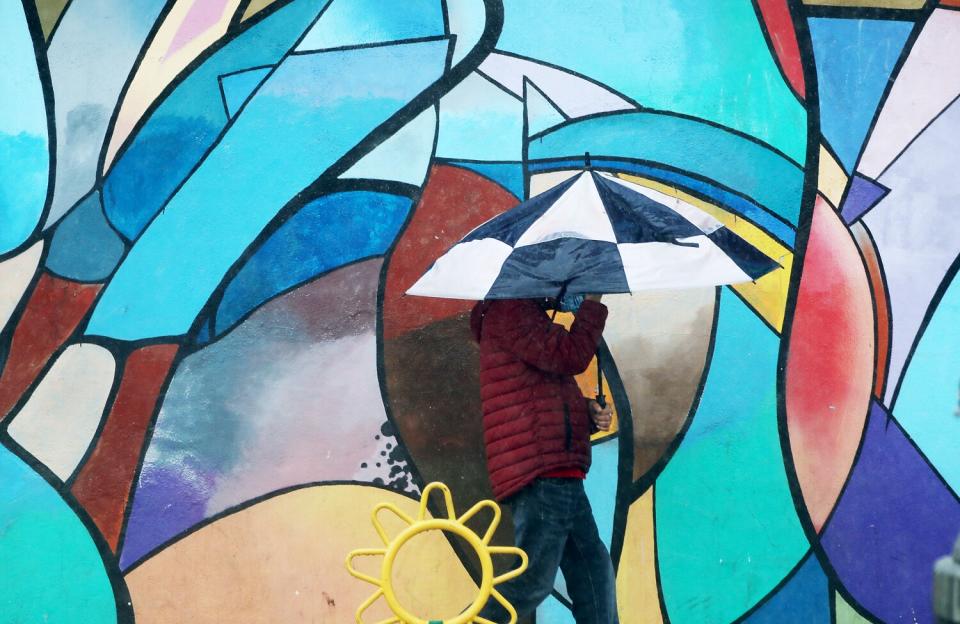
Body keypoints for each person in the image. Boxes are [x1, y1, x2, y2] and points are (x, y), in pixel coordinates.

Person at [470, 293, 618, 624]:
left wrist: (586, 413)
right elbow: (570, 355)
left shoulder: (523, 315)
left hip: (555, 469)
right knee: (533, 580)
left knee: (592, 572)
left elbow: (539, 396)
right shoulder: (513, 310)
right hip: (544, 472)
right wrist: (592, 303)